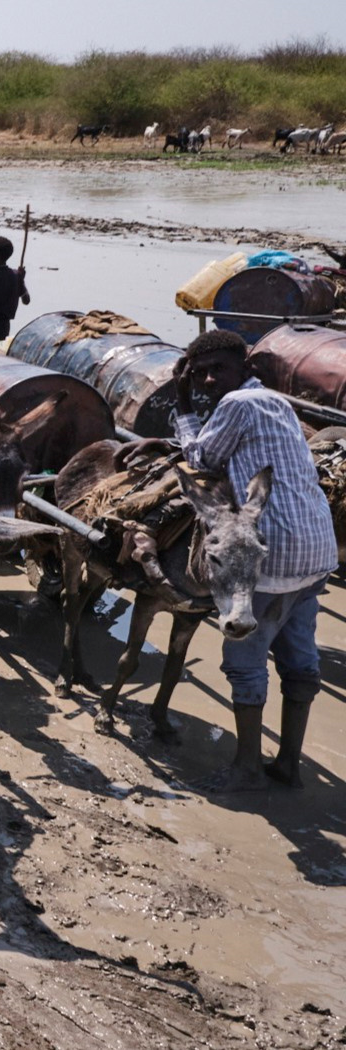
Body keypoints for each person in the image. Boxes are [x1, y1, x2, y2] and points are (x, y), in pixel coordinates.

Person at [166, 330, 335, 789]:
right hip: (317, 550)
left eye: (217, 369)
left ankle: (246, 768)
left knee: (245, 653)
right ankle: (288, 764)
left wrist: (182, 406)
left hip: (270, 551)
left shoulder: (237, 404)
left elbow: (201, 457)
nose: (207, 378)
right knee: (299, 658)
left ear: (245, 368)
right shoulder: (279, 402)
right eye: (198, 373)